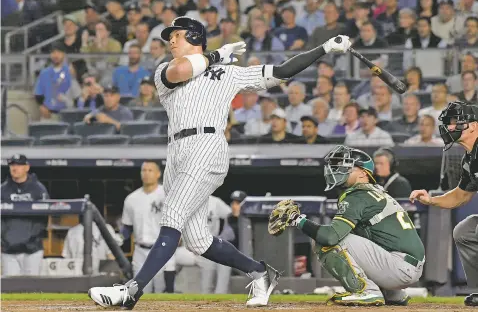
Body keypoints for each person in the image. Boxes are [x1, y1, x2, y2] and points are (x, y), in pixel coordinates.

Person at [87, 16, 352, 308]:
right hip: (176, 152)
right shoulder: (165, 69)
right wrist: (214, 55)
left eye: (176, 35)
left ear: (194, 36)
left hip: (207, 145)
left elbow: (282, 71)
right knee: (197, 241)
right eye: (169, 37)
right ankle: (260, 271)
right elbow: (185, 69)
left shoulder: (228, 73)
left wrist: (324, 48)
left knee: (172, 215)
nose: (170, 41)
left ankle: (132, 289)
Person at [269, 145, 425, 306]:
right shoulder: (374, 192)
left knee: (325, 240)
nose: (338, 169)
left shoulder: (358, 195)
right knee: (349, 236)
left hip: (399, 267)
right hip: (406, 265)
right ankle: (392, 293)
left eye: (347, 166)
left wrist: (296, 219)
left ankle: (366, 291)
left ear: (363, 173)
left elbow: (329, 237)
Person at [409, 101, 478, 307]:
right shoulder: (470, 159)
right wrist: (431, 200)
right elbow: (461, 196)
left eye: (456, 122)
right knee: (464, 231)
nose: (450, 128)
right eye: (449, 123)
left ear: (473, 125)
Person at [120, 161, 176, 293]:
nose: (146, 173)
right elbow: (127, 227)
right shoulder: (131, 198)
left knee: (164, 293)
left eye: (150, 170)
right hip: (140, 250)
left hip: (163, 248)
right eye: (144, 170)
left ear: (158, 174)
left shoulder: (168, 194)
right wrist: (119, 239)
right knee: (139, 292)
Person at [1, 154, 49, 276]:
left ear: (27, 167)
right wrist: (4, 239)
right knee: (10, 290)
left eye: (18, 165)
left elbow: (43, 219)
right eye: (12, 165)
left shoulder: (38, 189)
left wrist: (32, 239)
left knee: (31, 289)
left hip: (32, 250)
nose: (14, 168)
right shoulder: (3, 190)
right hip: (9, 250)